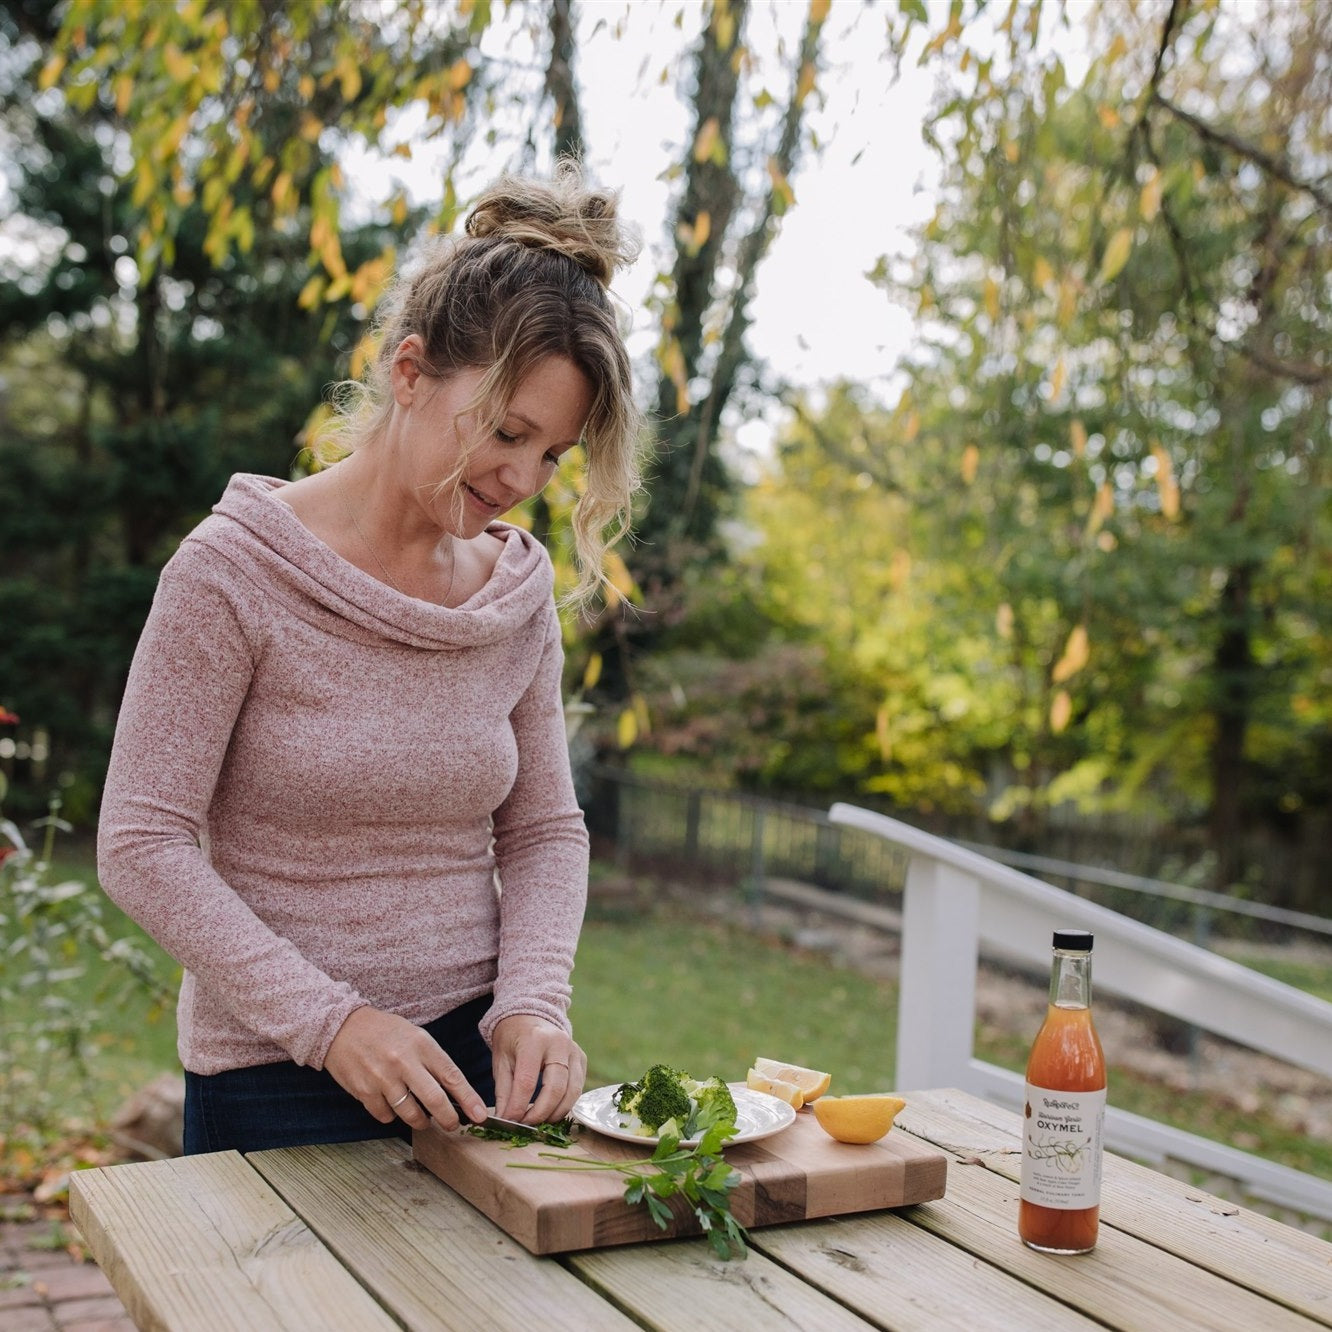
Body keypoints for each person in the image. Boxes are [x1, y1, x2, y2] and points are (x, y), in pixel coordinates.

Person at [96, 163, 643, 1154]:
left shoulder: (514, 595)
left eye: (554, 455)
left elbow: (544, 833)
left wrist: (532, 1004)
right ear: (409, 372)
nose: (524, 479)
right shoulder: (231, 573)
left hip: (474, 1076)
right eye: (508, 432)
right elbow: (141, 844)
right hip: (274, 1078)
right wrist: (333, 1022)